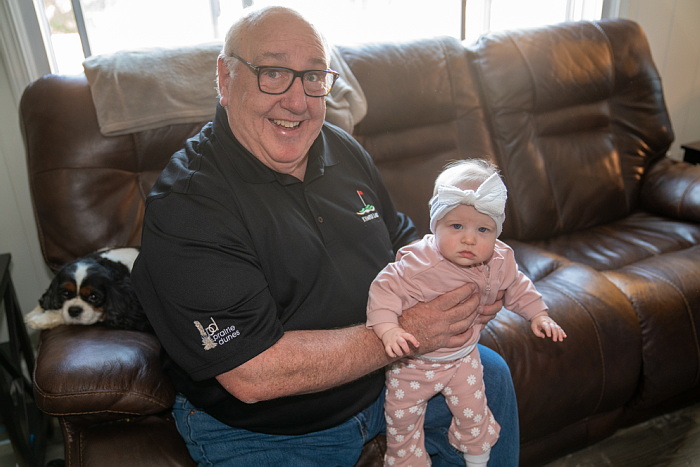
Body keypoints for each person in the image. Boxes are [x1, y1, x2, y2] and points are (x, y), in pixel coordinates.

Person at [132, 6, 520, 466]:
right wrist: (411, 330)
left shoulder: (341, 147)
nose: (297, 102)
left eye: (313, 76)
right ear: (225, 78)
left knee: (492, 375)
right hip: (269, 428)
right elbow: (252, 373)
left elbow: (404, 244)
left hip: (389, 377)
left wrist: (468, 286)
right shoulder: (188, 205)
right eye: (273, 73)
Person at [367, 159, 567, 466]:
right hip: (412, 364)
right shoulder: (417, 264)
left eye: (483, 229)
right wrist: (389, 330)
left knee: (474, 414)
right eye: (456, 226)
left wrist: (538, 315)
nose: (469, 239)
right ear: (435, 224)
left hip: (463, 358)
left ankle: (477, 458)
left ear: (497, 232)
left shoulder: (499, 259)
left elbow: (517, 285)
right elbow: (383, 291)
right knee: (402, 423)